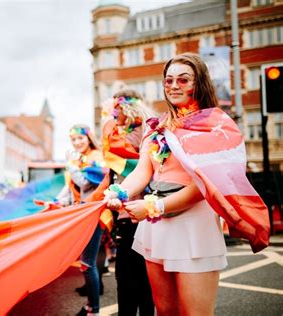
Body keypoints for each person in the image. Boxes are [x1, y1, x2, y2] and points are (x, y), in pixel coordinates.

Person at [106, 53, 269, 315]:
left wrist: (154, 207)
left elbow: (208, 184)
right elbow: (142, 171)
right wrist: (119, 191)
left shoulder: (216, 126)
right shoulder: (157, 127)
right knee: (165, 311)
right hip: (156, 227)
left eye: (183, 80)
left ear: (200, 83)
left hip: (194, 225)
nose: (174, 85)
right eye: (169, 80)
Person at [101, 89, 155, 315]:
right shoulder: (142, 132)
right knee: (141, 281)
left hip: (136, 214)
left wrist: (106, 121)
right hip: (135, 213)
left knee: (129, 281)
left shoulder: (136, 135)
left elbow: (112, 146)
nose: (114, 114)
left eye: (116, 108)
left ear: (125, 107)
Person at [56, 124, 108, 316]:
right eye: (73, 140)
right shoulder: (81, 159)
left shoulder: (97, 158)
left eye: (80, 138)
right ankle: (91, 307)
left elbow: (86, 183)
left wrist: (71, 165)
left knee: (88, 263)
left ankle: (93, 310)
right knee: (87, 263)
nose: (77, 143)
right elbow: (72, 186)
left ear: (89, 138)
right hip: (83, 214)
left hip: (93, 215)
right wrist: (57, 200)